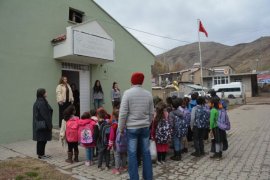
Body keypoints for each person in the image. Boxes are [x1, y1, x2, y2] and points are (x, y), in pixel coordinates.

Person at [118, 72, 154, 180]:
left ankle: (134, 178)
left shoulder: (127, 93)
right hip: (145, 128)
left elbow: (123, 113)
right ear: (142, 81)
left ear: (132, 80)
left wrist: (121, 128)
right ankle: (148, 177)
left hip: (132, 128)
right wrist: (148, 123)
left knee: (132, 154)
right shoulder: (148, 94)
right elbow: (152, 113)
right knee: (146, 153)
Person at [33, 88, 53, 159]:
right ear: (42, 93)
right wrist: (49, 125)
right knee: (42, 140)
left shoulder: (38, 101)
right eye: (45, 92)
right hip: (43, 124)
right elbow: (45, 115)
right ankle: (41, 155)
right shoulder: (42, 102)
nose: (46, 93)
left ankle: (41, 154)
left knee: (42, 140)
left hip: (40, 124)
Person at [108, 109, 127, 175]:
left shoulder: (114, 125)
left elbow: (111, 136)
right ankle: (124, 167)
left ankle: (117, 169)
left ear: (114, 117)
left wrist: (110, 145)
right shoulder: (125, 124)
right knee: (124, 155)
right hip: (125, 143)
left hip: (117, 144)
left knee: (117, 156)